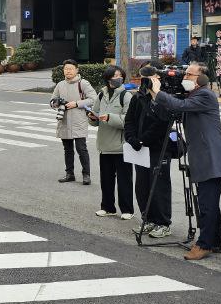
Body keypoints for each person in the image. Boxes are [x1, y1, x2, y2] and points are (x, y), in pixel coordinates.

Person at [148, 62, 221, 260]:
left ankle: (204, 244)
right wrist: (155, 96)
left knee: (206, 204)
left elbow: (179, 106)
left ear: (202, 78)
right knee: (209, 202)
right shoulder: (194, 96)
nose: (185, 77)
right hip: (204, 157)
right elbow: (174, 111)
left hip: (210, 157)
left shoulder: (204, 95)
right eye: (185, 74)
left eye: (189, 75)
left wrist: (159, 92)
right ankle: (214, 241)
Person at [125, 61, 175, 239]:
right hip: (139, 149)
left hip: (158, 148)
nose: (144, 81)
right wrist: (131, 139)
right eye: (143, 77)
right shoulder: (138, 96)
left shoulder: (164, 97)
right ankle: (148, 219)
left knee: (159, 186)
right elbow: (129, 120)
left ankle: (163, 223)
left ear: (157, 77)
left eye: (149, 77)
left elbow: (161, 123)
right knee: (142, 186)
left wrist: (142, 139)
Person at [89, 65, 134, 220]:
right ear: (108, 78)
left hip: (121, 146)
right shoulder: (101, 95)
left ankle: (127, 209)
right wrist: (92, 118)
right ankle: (107, 207)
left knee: (124, 181)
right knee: (106, 179)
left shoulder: (126, 96)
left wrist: (109, 117)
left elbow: (129, 121)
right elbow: (95, 116)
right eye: (114, 75)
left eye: (119, 75)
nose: (118, 77)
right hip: (104, 144)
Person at [51, 60, 98, 185]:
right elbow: (52, 101)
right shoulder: (60, 84)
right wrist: (55, 103)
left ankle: (86, 175)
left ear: (77, 70)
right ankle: (69, 174)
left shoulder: (83, 83)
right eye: (66, 68)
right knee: (68, 149)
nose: (68, 71)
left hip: (78, 120)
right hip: (64, 120)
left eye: (71, 68)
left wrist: (77, 103)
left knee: (81, 149)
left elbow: (93, 99)